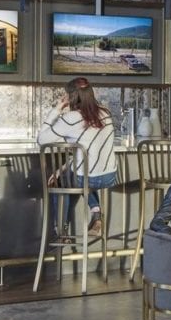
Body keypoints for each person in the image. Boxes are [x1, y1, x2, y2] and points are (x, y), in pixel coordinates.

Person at [37, 77, 119, 238]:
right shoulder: (105, 114)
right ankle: (96, 213)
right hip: (109, 177)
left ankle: (61, 231)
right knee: (83, 176)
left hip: (87, 178)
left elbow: (41, 140)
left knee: (60, 181)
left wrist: (56, 110)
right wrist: (63, 168)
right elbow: (88, 153)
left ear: (71, 97)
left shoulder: (71, 118)